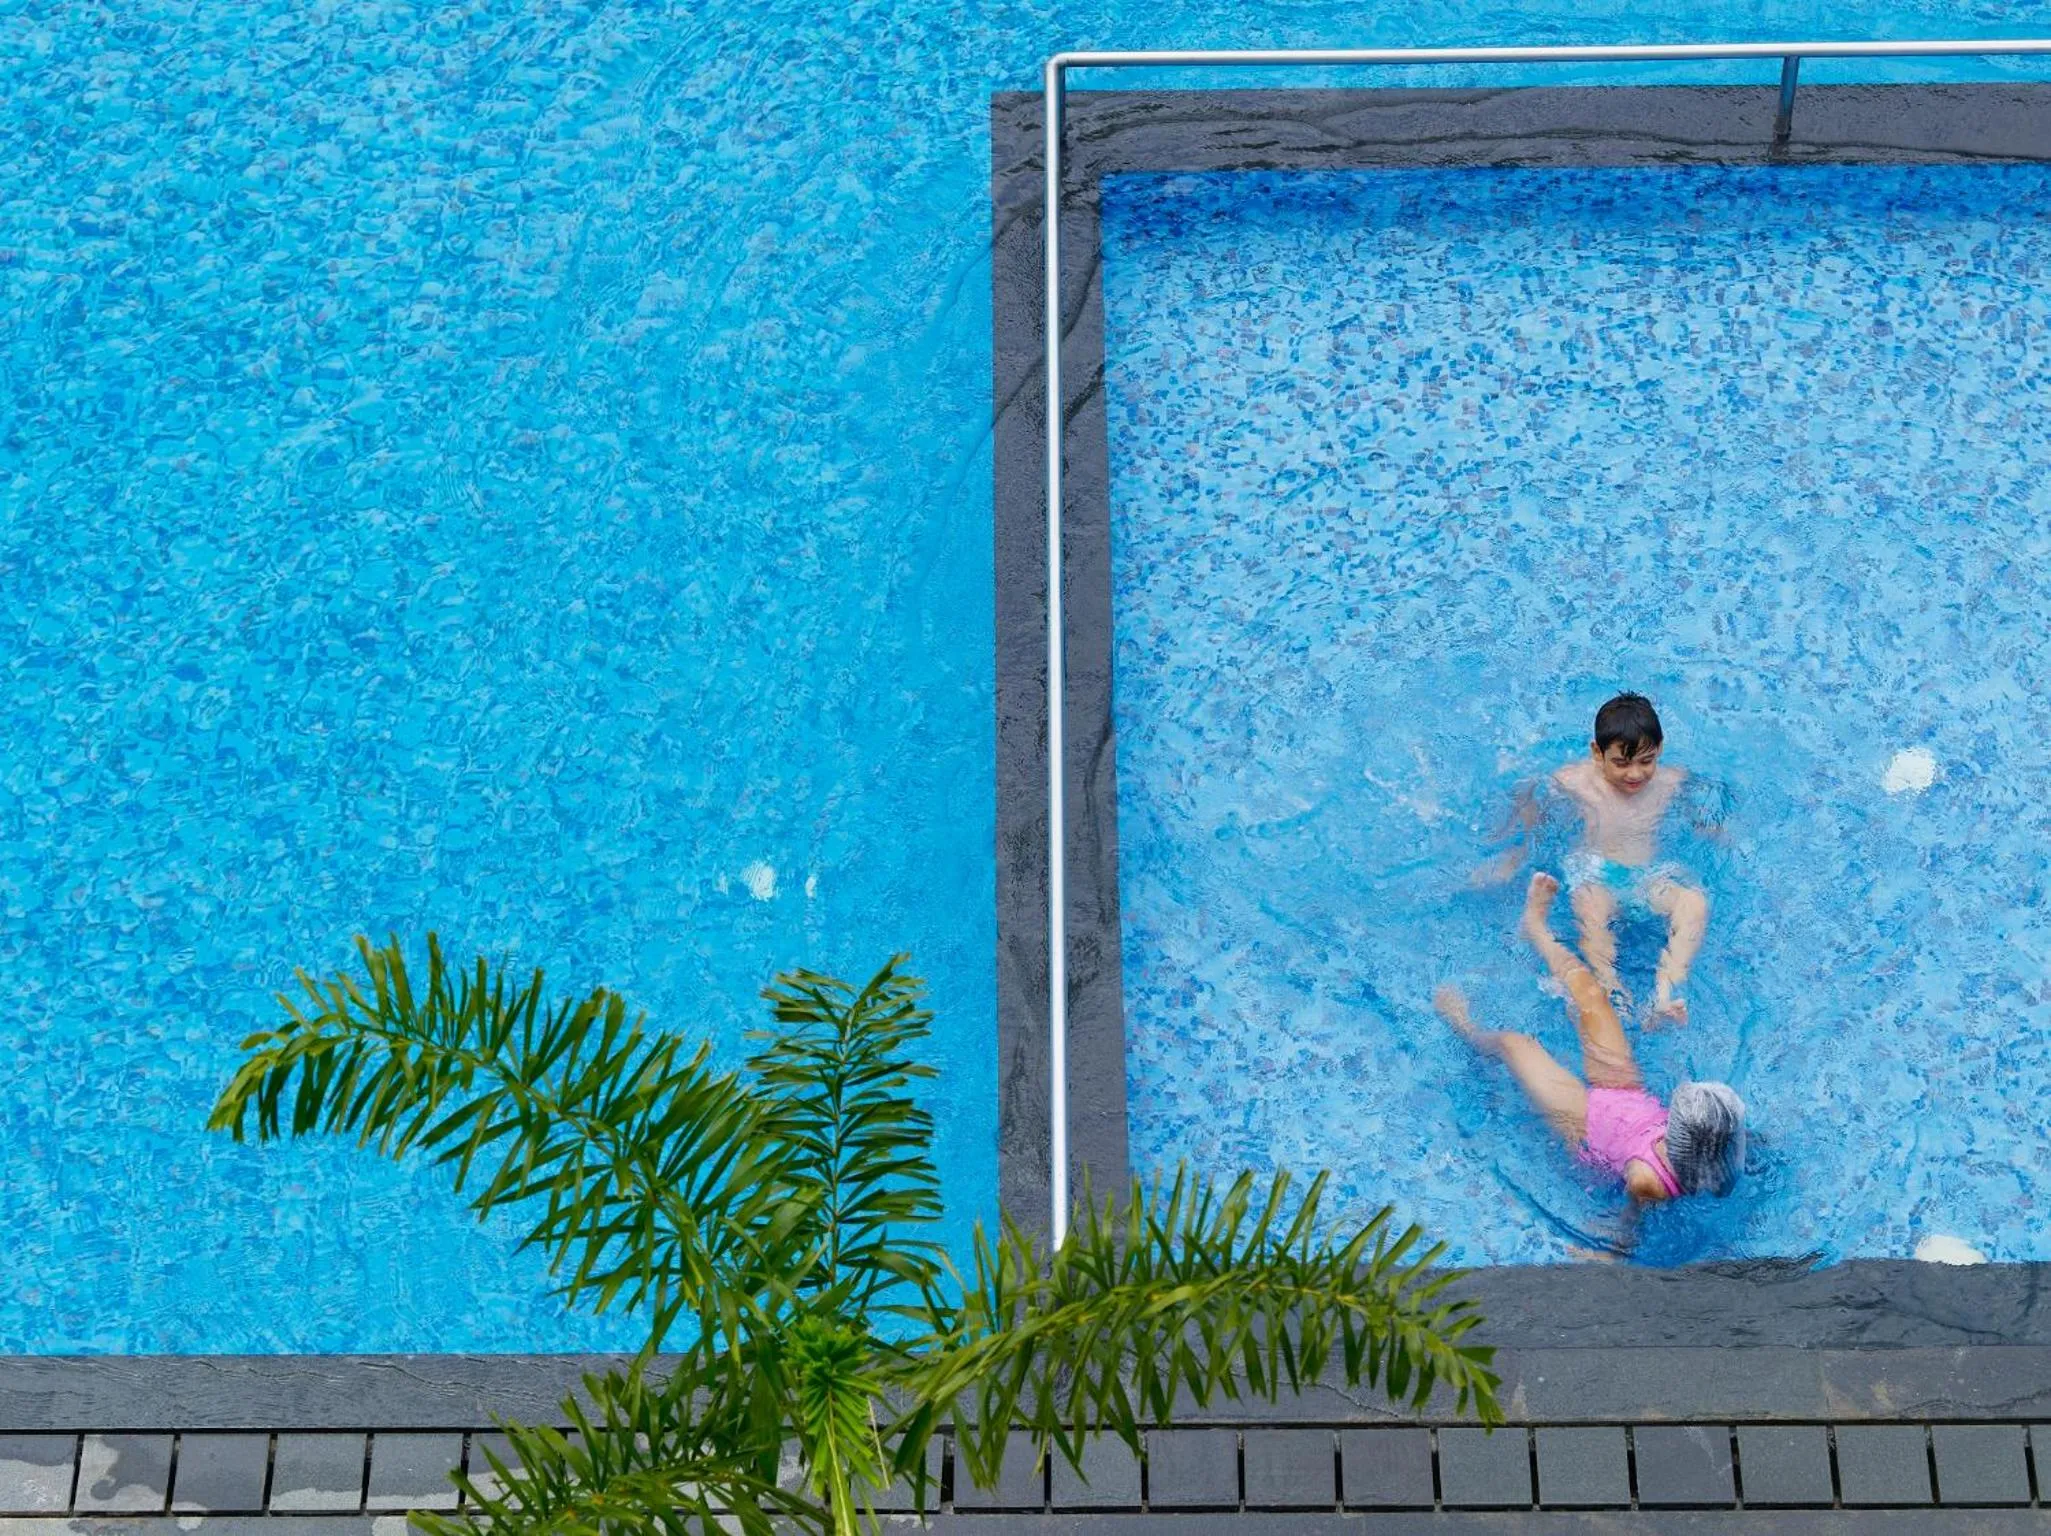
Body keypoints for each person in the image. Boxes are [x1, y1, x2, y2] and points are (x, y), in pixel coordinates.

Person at [1435, 872, 1746, 1222]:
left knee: (1514, 1044)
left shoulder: (1648, 1183)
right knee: (1589, 991)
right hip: (1627, 1093)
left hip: (1587, 1123)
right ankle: (1535, 927)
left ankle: (1465, 1027)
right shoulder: (1720, 1142)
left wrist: (1605, 1252)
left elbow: (1630, 1224)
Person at [1550, 693, 1710, 1026]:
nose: (1634, 774)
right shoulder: (1572, 783)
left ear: (1660, 748)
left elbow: (1707, 815)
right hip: (1598, 875)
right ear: (1597, 752)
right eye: (1621, 763)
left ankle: (1663, 997)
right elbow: (1529, 804)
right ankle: (1612, 991)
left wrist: (1717, 832)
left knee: (1694, 903)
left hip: (1647, 878)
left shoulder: (1672, 782)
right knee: (1590, 908)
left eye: (1646, 761)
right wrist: (1513, 856)